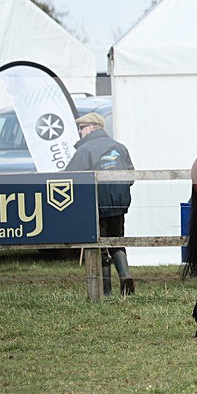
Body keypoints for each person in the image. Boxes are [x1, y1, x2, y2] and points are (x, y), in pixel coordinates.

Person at [65, 113, 136, 296]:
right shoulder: (120, 147)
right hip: (119, 204)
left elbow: (70, 177)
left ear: (92, 127)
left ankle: (106, 291)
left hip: (96, 205)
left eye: (82, 128)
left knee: (101, 247)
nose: (80, 132)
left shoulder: (85, 150)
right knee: (117, 241)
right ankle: (125, 275)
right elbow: (131, 175)